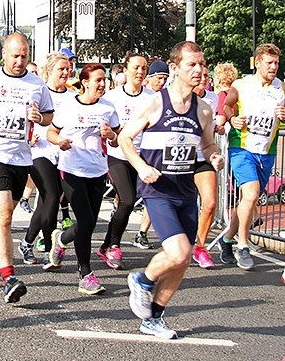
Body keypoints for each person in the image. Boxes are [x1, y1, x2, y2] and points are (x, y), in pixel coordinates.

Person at [122, 41, 223, 339]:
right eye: (192, 64)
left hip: (185, 191)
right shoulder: (154, 103)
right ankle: (142, 280)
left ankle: (154, 317)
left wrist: (213, 155)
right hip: (158, 190)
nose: (199, 70)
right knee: (177, 253)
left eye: (202, 64)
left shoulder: (203, 109)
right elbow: (125, 138)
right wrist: (141, 167)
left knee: (183, 258)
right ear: (175, 68)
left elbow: (207, 144)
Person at [0, 33, 54, 303]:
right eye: (15, 55)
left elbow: (49, 115)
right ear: (4, 53)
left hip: (20, 158)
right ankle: (8, 279)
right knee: (3, 216)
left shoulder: (37, 84)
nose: (19, 61)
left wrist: (41, 118)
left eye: (24, 55)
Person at [47, 63, 119, 294]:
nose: (102, 84)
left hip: (97, 170)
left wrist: (112, 136)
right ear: (85, 82)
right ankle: (85, 274)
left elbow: (118, 139)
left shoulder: (108, 108)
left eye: (104, 80)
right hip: (71, 170)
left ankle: (61, 240)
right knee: (87, 222)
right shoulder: (68, 106)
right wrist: (59, 142)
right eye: (97, 80)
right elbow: (51, 131)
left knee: (89, 222)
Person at [221, 43, 285, 270]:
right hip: (242, 148)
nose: (274, 67)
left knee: (248, 200)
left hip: (266, 152)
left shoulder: (281, 87)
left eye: (276, 62)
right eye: (269, 62)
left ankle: (227, 239)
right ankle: (243, 246)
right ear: (257, 63)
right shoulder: (242, 85)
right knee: (251, 193)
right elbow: (227, 106)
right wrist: (232, 119)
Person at [17, 52, 76, 270]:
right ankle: (50, 248)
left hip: (63, 155)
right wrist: (28, 135)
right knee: (51, 196)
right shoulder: (39, 92)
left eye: (67, 69)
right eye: (61, 69)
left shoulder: (72, 96)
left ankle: (27, 242)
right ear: (49, 70)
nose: (65, 72)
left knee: (46, 202)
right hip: (39, 152)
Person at [99, 53, 152, 269]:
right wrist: (113, 132)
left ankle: (106, 245)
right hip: (118, 155)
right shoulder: (112, 98)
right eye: (136, 68)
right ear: (126, 70)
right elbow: (106, 127)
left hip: (140, 157)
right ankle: (113, 246)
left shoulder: (152, 97)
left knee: (127, 203)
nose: (140, 72)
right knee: (128, 200)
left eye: (144, 68)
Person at [133, 60, 170, 249]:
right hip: (130, 152)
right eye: (158, 79)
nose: (162, 83)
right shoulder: (145, 98)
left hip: (153, 153)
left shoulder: (166, 98)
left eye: (165, 79)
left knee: (153, 193)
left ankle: (142, 233)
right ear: (150, 79)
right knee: (127, 198)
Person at [191, 66, 222, 268]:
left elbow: (216, 123)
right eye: (199, 76)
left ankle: (200, 248)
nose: (203, 79)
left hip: (204, 157)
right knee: (181, 206)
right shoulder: (176, 99)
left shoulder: (213, 99)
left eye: (206, 76)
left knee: (209, 203)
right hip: (181, 160)